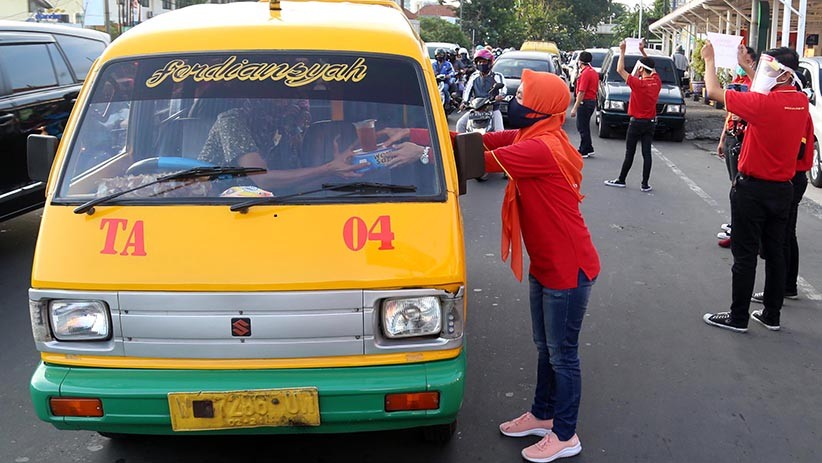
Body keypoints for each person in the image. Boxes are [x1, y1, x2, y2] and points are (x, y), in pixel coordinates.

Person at [481, 70, 600, 462]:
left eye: (521, 98)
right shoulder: (532, 136)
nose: (514, 103)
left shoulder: (541, 149)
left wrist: (423, 153)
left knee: (563, 354)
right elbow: (478, 141)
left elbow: (477, 160)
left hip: (568, 270)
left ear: (539, 110)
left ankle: (566, 434)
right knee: (545, 348)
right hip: (547, 265)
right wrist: (422, 134)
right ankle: (542, 415)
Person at [701, 43, 814, 333]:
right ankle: (771, 315)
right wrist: (752, 68)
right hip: (783, 189)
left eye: (769, 69)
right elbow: (762, 89)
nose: (764, 73)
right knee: (776, 252)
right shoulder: (800, 102)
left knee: (745, 255)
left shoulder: (763, 105)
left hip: (752, 190)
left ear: (785, 74)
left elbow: (713, 91)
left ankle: (738, 316)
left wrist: (710, 60)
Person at [198, 99, 422, 193]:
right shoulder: (231, 120)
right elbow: (263, 178)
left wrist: (339, 173)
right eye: (290, 100)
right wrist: (328, 169)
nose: (298, 108)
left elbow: (290, 184)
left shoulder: (282, 127)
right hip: (216, 203)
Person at [751, 81, 815, 304]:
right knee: (786, 235)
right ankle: (786, 287)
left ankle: (781, 290)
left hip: (792, 176)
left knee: (782, 238)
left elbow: (798, 149)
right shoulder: (796, 108)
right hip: (791, 176)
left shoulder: (798, 112)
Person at [605, 40, 661, 192]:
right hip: (650, 122)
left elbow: (620, 69)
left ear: (641, 69)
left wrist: (622, 50)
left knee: (630, 152)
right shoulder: (656, 82)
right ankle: (645, 184)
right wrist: (643, 52)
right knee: (646, 153)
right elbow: (652, 67)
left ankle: (621, 179)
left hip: (636, 123)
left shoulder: (638, 83)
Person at [716, 46, 757, 248]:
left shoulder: (755, 86)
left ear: (752, 63)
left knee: (740, 187)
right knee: (734, 184)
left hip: (744, 139)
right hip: (732, 136)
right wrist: (723, 138)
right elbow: (729, 114)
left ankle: (741, 232)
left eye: (744, 59)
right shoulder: (737, 83)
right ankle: (736, 226)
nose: (740, 63)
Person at [456, 48, 506, 133]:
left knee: (500, 132)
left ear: (490, 63)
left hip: (493, 109)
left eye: (484, 62)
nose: (481, 64)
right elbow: (467, 90)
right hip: (477, 109)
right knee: (460, 124)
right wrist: (464, 102)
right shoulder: (474, 76)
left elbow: (503, 89)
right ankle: (461, 145)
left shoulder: (497, 76)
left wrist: (500, 96)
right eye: (479, 62)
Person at [570, 51, 598, 158]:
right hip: (591, 101)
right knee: (585, 126)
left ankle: (584, 150)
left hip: (585, 102)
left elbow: (581, 92)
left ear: (580, 61)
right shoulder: (592, 72)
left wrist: (574, 108)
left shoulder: (585, 73)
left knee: (581, 126)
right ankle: (588, 147)